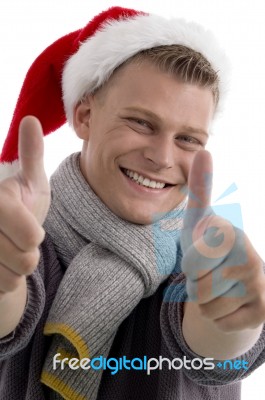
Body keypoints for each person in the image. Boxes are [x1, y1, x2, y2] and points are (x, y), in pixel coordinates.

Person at [0, 6, 265, 400]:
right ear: (85, 115)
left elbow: (210, 348)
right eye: (142, 123)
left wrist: (233, 319)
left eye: (188, 139)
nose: (162, 157)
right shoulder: (25, 234)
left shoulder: (205, 251)